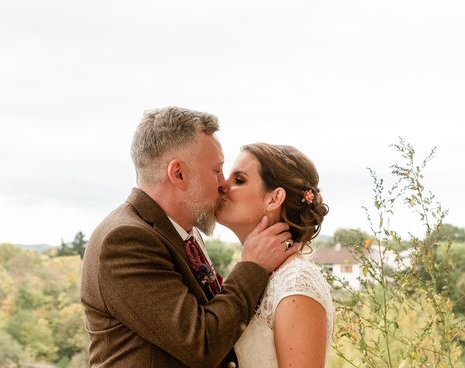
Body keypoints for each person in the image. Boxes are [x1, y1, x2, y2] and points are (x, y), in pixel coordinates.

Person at [81, 107, 299, 368]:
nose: (223, 184)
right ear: (178, 174)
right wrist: (252, 267)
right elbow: (201, 344)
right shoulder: (125, 240)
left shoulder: (184, 231)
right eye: (216, 170)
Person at [216, 143, 334, 368]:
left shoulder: (297, 283)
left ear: (274, 198)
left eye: (239, 180)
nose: (222, 185)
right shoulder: (261, 273)